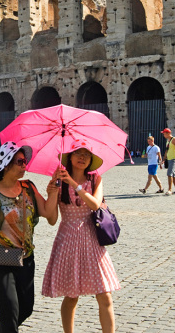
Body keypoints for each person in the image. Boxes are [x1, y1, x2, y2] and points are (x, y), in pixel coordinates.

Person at [0, 142, 58, 333]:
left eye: (25, 161)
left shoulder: (29, 188)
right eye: (20, 161)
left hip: (26, 258)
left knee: (25, 309)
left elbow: (51, 216)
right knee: (10, 313)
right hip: (0, 257)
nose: (25, 165)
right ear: (6, 165)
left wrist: (54, 191)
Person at [42, 140, 120, 333]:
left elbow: (95, 204)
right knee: (71, 296)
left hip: (92, 238)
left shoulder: (95, 179)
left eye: (87, 154)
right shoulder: (58, 181)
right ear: (69, 157)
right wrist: (51, 192)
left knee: (104, 294)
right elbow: (52, 219)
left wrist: (74, 184)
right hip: (67, 238)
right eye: (78, 153)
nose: (83, 157)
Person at [162, 128, 175, 195]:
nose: (163, 135)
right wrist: (164, 159)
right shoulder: (168, 140)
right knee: (173, 175)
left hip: (174, 159)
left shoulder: (174, 140)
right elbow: (166, 150)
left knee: (169, 173)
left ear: (168, 133)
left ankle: (170, 190)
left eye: (164, 133)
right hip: (169, 159)